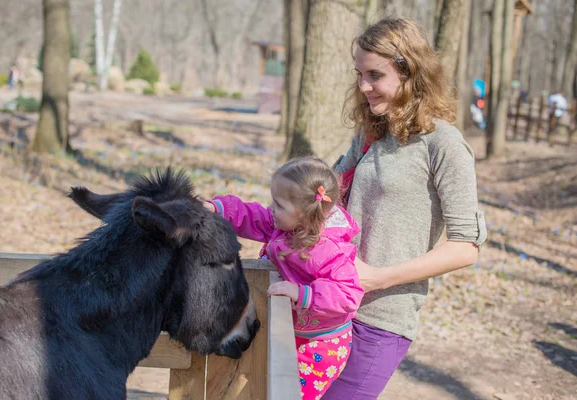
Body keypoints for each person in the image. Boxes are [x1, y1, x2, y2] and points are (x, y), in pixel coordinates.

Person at [325, 18, 487, 399]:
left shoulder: (443, 144)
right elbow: (325, 194)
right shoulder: (370, 133)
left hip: (380, 321)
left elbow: (466, 247)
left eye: (375, 75)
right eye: (359, 74)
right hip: (328, 304)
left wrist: (377, 278)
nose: (364, 86)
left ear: (408, 71)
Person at [204, 157, 364, 398]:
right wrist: (218, 209)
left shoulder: (328, 250)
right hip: (292, 331)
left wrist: (303, 294)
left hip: (320, 346)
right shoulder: (286, 224)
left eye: (278, 205)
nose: (271, 209)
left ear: (305, 213)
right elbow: (254, 216)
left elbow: (348, 295)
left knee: (287, 394)